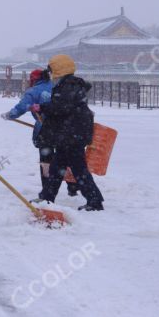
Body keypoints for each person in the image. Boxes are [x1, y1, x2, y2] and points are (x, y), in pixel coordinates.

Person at [31, 55, 104, 211]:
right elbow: (63, 105)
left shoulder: (68, 85)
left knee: (79, 169)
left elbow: (61, 107)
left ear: (58, 70)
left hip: (72, 135)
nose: (49, 73)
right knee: (57, 168)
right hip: (69, 135)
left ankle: (95, 201)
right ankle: (47, 197)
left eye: (51, 70)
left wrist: (43, 107)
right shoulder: (70, 84)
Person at [0, 69, 79, 197]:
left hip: (46, 129)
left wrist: (10, 115)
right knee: (64, 158)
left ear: (33, 80)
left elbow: (22, 107)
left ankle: (47, 190)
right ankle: (72, 185)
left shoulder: (33, 91)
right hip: (64, 129)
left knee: (46, 161)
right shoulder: (57, 86)